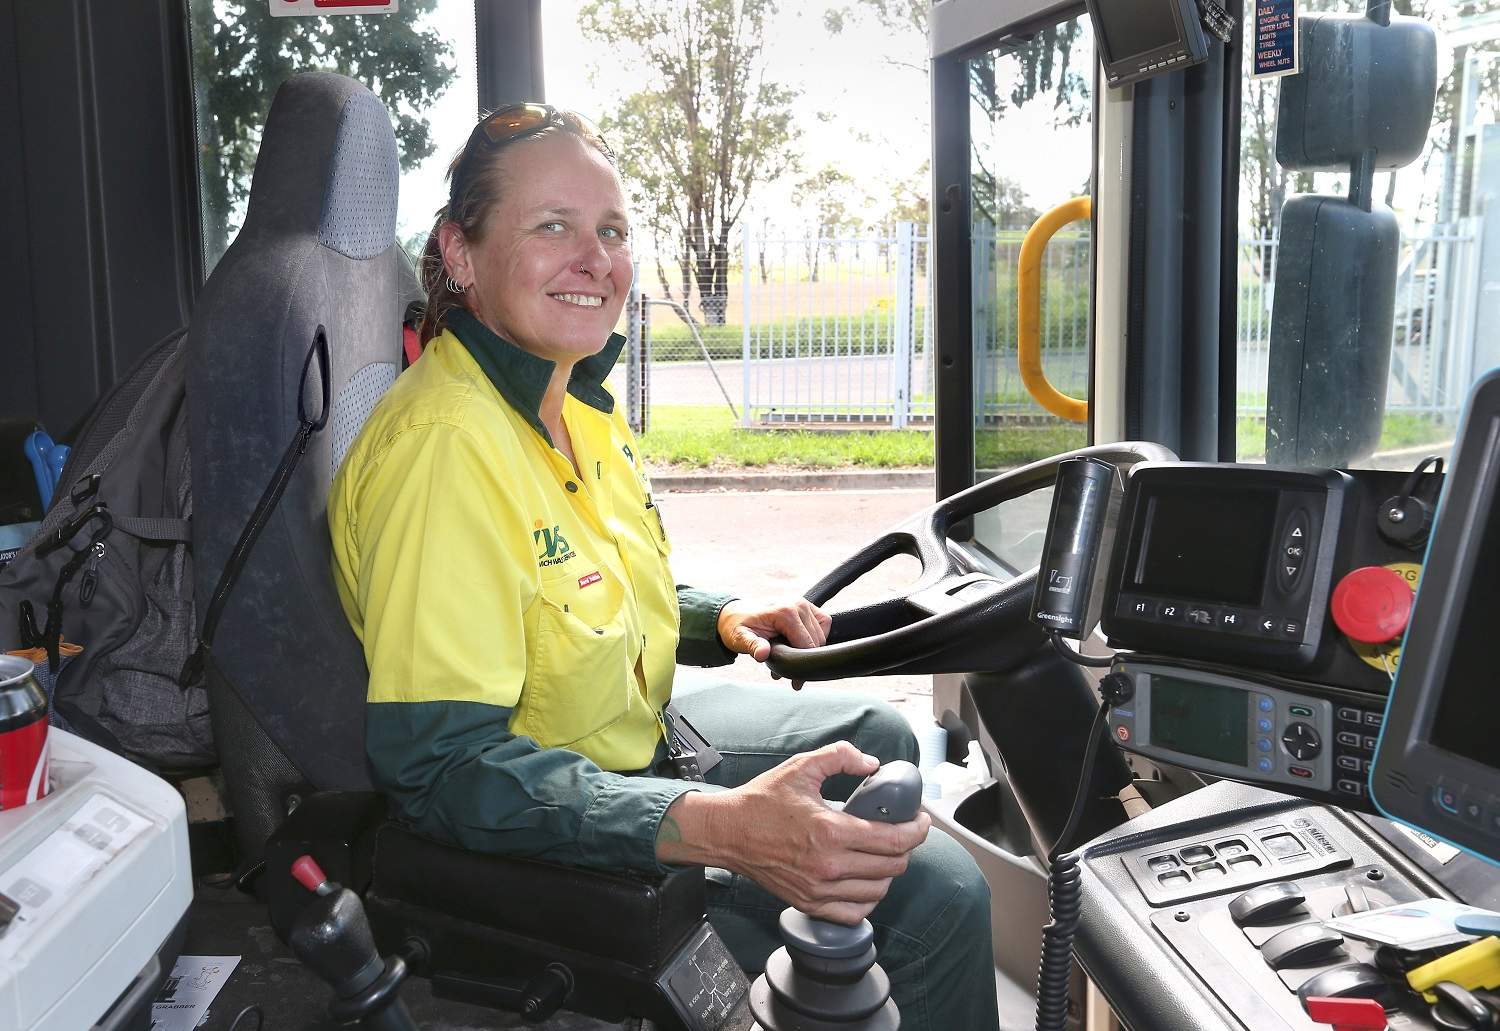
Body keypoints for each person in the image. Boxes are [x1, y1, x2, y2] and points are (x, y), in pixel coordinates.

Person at [328, 104, 999, 1031]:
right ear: (459, 253)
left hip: (634, 725)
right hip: (552, 814)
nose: (595, 258)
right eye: (552, 225)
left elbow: (579, 584)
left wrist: (722, 616)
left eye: (611, 231)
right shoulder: (447, 450)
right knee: (946, 901)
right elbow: (441, 771)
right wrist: (723, 824)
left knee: (881, 731)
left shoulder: (571, 402)